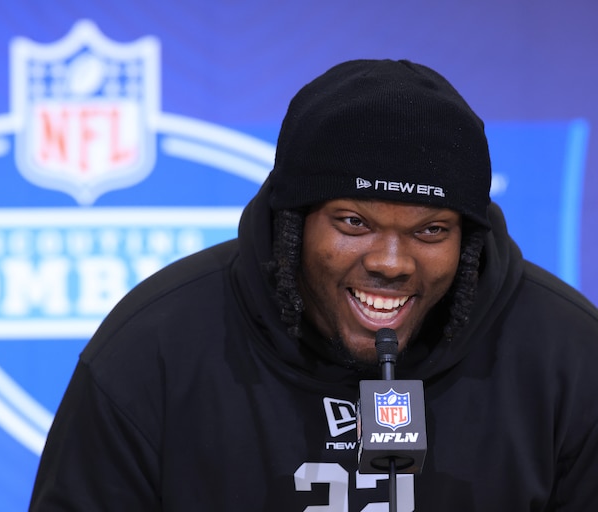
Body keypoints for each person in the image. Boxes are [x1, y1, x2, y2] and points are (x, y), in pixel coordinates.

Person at [29, 59, 598, 511]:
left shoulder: (568, 356)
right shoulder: (154, 346)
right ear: (293, 225)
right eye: (354, 223)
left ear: (467, 240)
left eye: (431, 230)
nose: (392, 263)